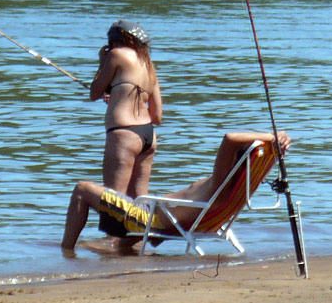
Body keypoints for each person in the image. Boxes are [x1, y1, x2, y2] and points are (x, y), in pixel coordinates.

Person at [60, 130, 292, 250]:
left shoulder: (222, 183)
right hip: (166, 220)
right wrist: (277, 142)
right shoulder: (242, 184)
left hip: (151, 219)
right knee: (113, 247)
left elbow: (229, 138)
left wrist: (270, 136)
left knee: (82, 189)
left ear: (235, 160)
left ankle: (66, 253)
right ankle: (106, 250)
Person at [88, 21, 162, 203]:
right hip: (148, 137)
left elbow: (94, 92)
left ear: (113, 41)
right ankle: (140, 232)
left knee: (114, 203)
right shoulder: (149, 66)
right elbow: (157, 116)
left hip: (124, 134)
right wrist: (118, 98)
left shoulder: (115, 55)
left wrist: (101, 63)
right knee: (139, 202)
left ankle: (114, 233)